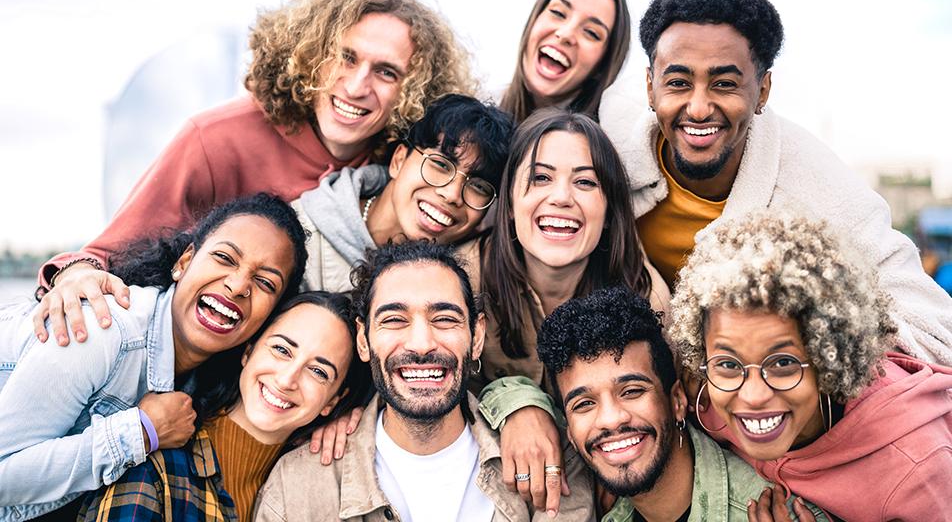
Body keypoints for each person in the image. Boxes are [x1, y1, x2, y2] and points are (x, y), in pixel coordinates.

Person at [34, 0, 475, 348]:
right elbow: (108, 255)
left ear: (413, 90)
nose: (357, 86)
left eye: (387, 72)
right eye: (345, 57)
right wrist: (74, 275)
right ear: (309, 55)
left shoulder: (401, 164)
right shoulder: (216, 138)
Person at [597, 0, 952, 364]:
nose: (698, 108)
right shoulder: (612, 133)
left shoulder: (817, 186)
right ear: (650, 87)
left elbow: (934, 328)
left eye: (724, 84)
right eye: (678, 83)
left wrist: (806, 347)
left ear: (763, 90)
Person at [0, 193, 307, 520]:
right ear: (184, 262)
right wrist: (140, 432)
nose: (237, 285)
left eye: (264, 282)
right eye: (224, 258)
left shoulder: (201, 381)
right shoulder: (102, 330)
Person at [255, 241, 594, 521]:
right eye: (394, 319)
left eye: (444, 319)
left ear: (476, 336)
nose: (421, 343)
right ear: (363, 339)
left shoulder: (550, 459)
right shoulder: (297, 486)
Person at [667, 213, 952, 521]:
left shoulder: (915, 468)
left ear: (829, 359)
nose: (752, 396)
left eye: (783, 363)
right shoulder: (707, 399)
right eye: (728, 363)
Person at [471, 108, 668, 514]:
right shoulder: (462, 280)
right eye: (541, 178)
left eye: (584, 182)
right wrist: (516, 403)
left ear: (610, 211)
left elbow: (669, 408)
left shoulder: (645, 296)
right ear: (509, 202)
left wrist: (625, 468)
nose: (561, 197)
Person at [537, 286, 827, 522]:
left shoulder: (780, 515)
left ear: (676, 401)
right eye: (584, 404)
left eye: (632, 391)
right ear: (571, 434)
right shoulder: (612, 515)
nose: (611, 419)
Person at [78, 291, 372, 521]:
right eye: (281, 349)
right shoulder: (158, 467)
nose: (287, 379)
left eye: (319, 372)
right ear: (249, 351)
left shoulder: (315, 483)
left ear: (332, 401)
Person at [293, 94, 513, 292]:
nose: (452, 194)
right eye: (440, 164)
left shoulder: (465, 283)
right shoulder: (298, 236)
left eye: (479, 187)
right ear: (398, 160)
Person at [500, 0, 630, 123]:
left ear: (601, 67)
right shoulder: (475, 110)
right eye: (558, 12)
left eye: (591, 32)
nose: (566, 34)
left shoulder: (611, 139)